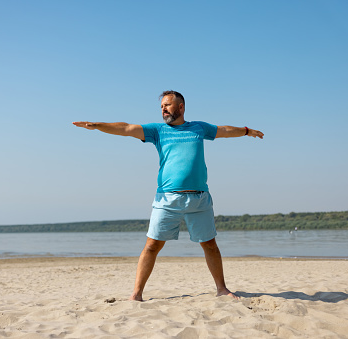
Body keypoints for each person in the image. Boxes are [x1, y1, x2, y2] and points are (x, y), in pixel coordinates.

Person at [73, 90, 264, 301]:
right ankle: (136, 294)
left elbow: (225, 130)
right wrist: (98, 125)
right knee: (152, 245)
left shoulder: (198, 128)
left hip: (199, 199)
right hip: (167, 199)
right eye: (161, 106)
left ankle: (221, 288)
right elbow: (126, 128)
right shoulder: (157, 131)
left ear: (181, 107)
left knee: (210, 244)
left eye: (167, 105)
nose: (163, 109)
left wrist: (246, 131)